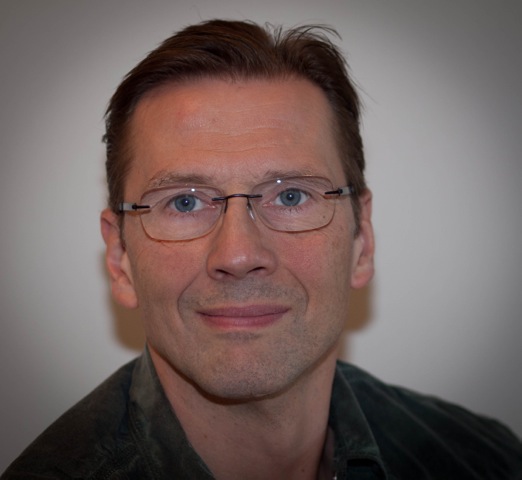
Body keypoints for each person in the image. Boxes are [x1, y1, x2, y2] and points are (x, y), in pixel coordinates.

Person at [2, 19, 522, 480]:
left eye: (290, 196)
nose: (237, 254)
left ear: (361, 239)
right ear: (120, 259)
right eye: (184, 202)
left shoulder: (485, 461)